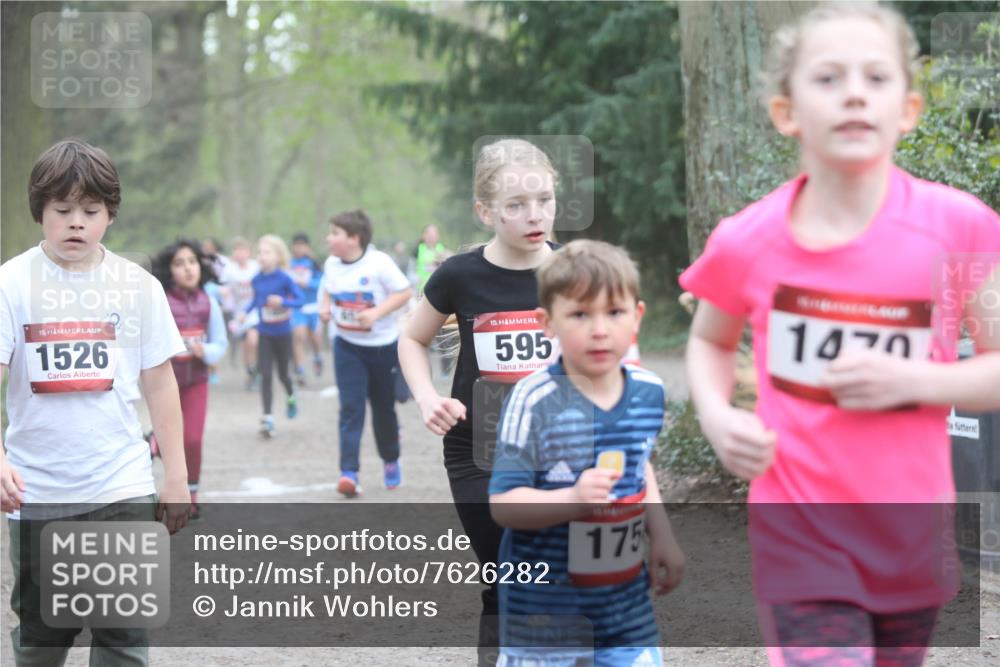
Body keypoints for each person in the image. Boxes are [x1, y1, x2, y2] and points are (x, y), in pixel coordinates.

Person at [680, 4, 1000, 666]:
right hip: (798, 530)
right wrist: (716, 415)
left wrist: (919, 380)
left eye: (876, 78)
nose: (854, 91)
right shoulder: (746, 241)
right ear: (786, 111)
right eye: (827, 78)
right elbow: (710, 341)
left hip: (910, 537)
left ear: (907, 109)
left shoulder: (959, 228)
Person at [0, 139, 190, 666]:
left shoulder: (137, 286)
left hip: (120, 485)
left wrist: (175, 475)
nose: (76, 223)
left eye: (91, 211)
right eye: (62, 211)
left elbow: (160, 382)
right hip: (37, 492)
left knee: (124, 637)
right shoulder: (11, 284)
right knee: (42, 637)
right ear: (40, 211)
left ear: (110, 214)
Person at [398, 138, 562, 665]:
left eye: (544, 200)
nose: (533, 215)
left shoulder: (575, 273)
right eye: (515, 205)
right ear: (485, 211)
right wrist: (426, 398)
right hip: (479, 453)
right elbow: (411, 338)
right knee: (508, 583)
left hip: (559, 452)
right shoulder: (459, 275)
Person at [490, 240, 685, 666]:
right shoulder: (535, 398)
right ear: (548, 323)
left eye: (614, 312)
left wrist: (663, 535)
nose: (599, 329)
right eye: (580, 314)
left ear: (637, 316)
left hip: (625, 607)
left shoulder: (648, 392)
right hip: (545, 613)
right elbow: (504, 504)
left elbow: (639, 465)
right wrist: (573, 499)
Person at [319, 210, 413, 496]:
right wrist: (325, 307)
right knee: (350, 408)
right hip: (347, 346)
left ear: (353, 239)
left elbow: (404, 292)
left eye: (335, 233)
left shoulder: (379, 263)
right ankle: (349, 473)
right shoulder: (331, 264)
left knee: (383, 409)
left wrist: (376, 313)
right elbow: (327, 288)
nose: (328, 238)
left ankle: (391, 460)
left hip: (382, 347)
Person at [151, 239, 229, 519]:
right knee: (174, 435)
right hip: (166, 384)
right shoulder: (161, 301)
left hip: (197, 381)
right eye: (180, 263)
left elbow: (221, 343)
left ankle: (191, 496)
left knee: (193, 440)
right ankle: (155, 442)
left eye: (192, 262)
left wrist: (204, 350)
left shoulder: (209, 302)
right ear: (169, 270)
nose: (188, 269)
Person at [241, 234, 303, 437]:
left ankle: (291, 396)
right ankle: (267, 417)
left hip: (283, 334)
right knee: (266, 374)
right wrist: (245, 311)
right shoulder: (257, 280)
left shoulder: (284, 278)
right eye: (259, 252)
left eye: (267, 252)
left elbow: (300, 301)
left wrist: (283, 302)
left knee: (283, 374)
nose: (262, 256)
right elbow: (256, 301)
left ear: (278, 256)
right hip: (265, 333)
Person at [219, 237, 260, 389]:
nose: (240, 254)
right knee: (245, 346)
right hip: (238, 313)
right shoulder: (229, 270)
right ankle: (250, 372)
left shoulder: (255, 267)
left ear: (249, 253)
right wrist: (224, 294)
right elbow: (223, 288)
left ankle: (255, 370)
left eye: (243, 250)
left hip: (254, 310)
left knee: (253, 340)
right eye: (237, 250)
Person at [289, 232, 325, 384]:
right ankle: (300, 370)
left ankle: (317, 356)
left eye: (302, 246)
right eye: (296, 246)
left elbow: (323, 282)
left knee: (314, 338)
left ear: (308, 247)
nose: (299, 249)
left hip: (313, 306)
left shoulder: (314, 263)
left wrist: (308, 284)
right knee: (299, 336)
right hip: (298, 307)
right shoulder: (289, 263)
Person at [413, 223, 450, 293]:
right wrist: (414, 279)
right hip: (421, 289)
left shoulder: (443, 249)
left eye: (434, 232)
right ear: (423, 235)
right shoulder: (417, 250)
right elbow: (410, 269)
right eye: (429, 232)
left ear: (438, 235)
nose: (431, 235)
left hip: (439, 288)